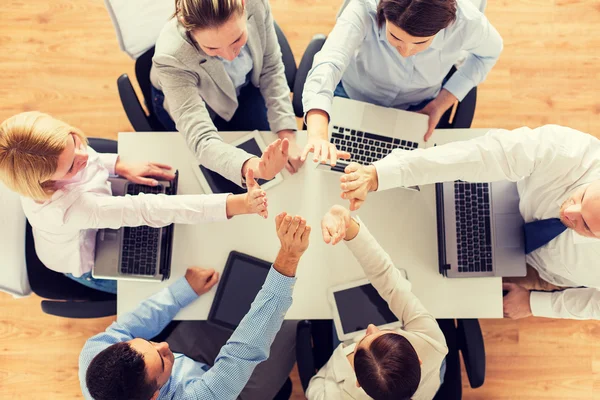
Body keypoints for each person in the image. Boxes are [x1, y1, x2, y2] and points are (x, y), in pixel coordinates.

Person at [339, 125, 600, 320]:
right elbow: (481, 155)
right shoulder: (570, 152)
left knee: (434, 288)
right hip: (508, 197)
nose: (570, 212)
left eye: (585, 225)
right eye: (582, 196)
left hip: (541, 271)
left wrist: (534, 304)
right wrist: (380, 175)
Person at [0, 112, 271, 294]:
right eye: (72, 166)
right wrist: (236, 205)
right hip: (85, 260)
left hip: (88, 219)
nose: (85, 154)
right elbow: (147, 208)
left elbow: (86, 159)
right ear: (45, 181)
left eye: (75, 141)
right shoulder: (68, 210)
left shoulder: (60, 155)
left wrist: (117, 164)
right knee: (166, 287)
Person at [80, 212, 311, 400]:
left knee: (229, 289)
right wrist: (288, 258)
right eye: (161, 360)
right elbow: (243, 352)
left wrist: (182, 292)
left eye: (149, 343)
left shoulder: (96, 355)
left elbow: (131, 325)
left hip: (189, 364)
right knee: (297, 316)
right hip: (234, 393)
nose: (163, 345)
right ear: (155, 396)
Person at [301, 0, 503, 165]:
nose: (405, 52)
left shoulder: (467, 22)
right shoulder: (363, 7)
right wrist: (318, 133)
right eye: (395, 37)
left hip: (417, 107)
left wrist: (441, 104)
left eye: (421, 42)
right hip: (353, 93)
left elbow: (489, 54)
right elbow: (329, 62)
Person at [151, 0, 304, 183]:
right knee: (214, 178)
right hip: (194, 102)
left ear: (243, 4)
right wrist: (253, 167)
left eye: (237, 39)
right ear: (185, 24)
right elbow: (202, 139)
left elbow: (270, 68)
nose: (230, 56)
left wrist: (287, 133)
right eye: (212, 48)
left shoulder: (257, 4)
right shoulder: (170, 56)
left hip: (242, 87)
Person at [306, 205, 448, 400]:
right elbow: (389, 280)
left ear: (357, 381)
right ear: (419, 360)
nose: (371, 327)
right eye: (385, 334)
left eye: (359, 345)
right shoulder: (432, 342)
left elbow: (315, 386)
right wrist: (350, 229)